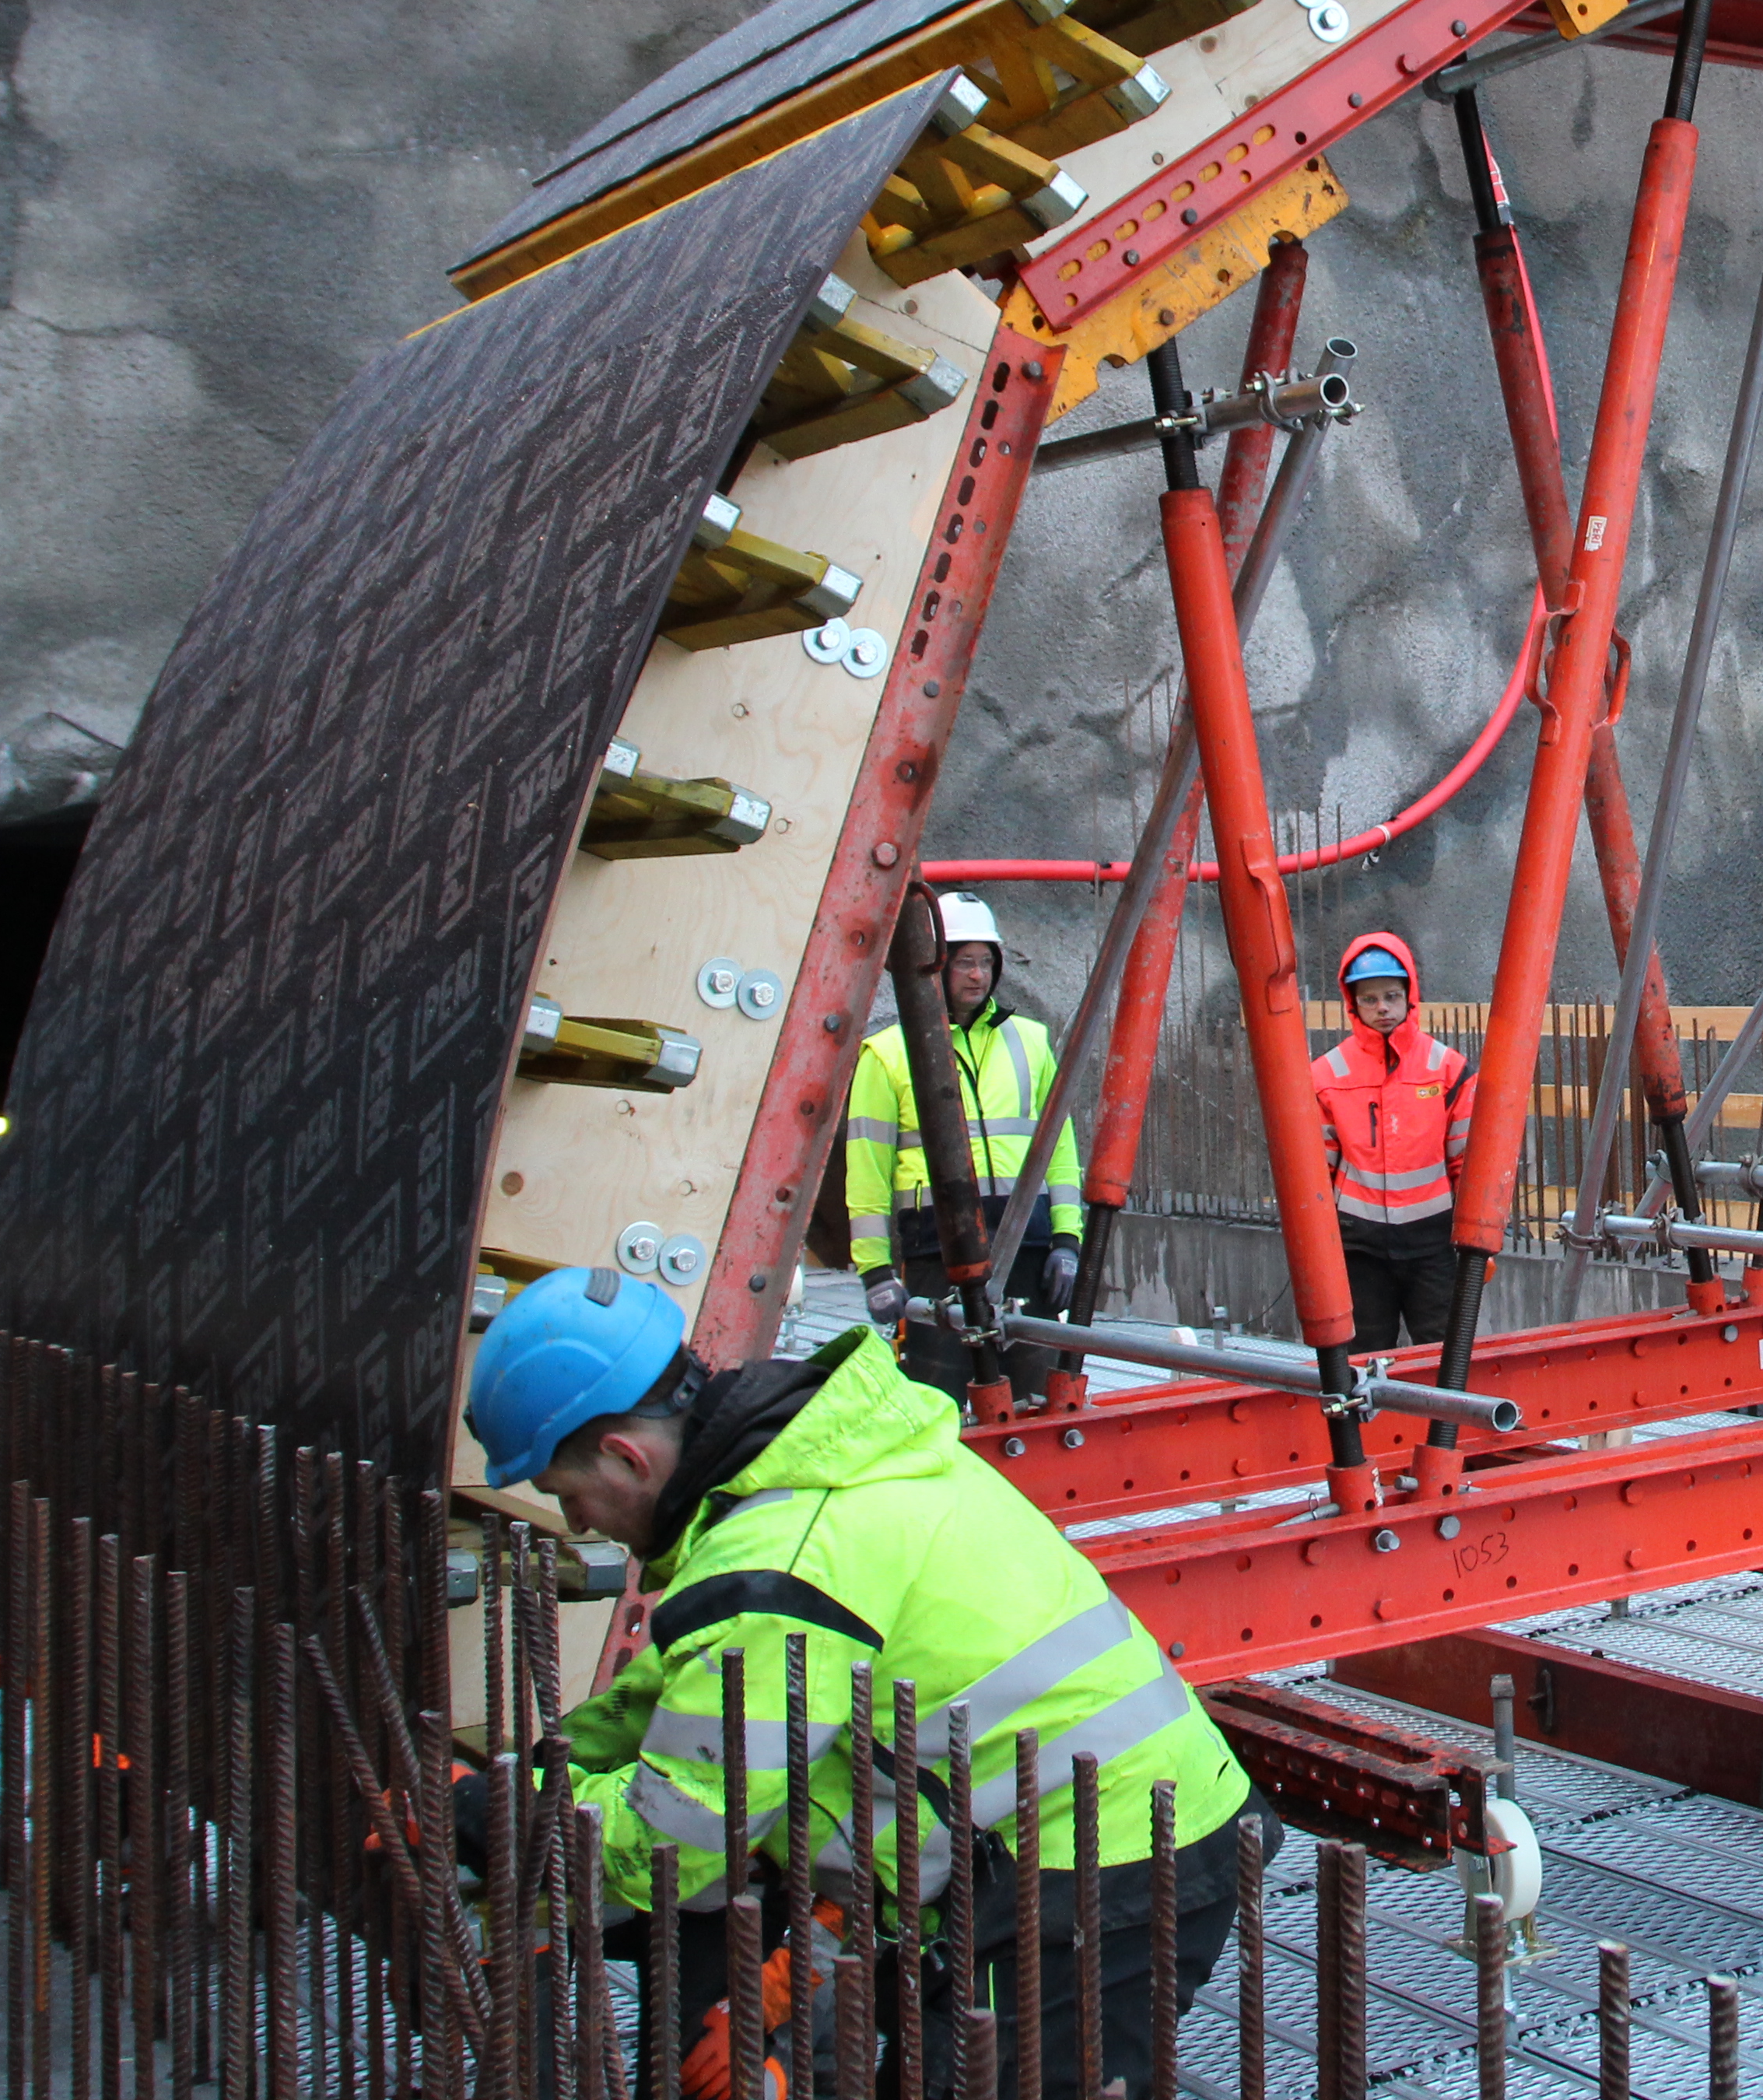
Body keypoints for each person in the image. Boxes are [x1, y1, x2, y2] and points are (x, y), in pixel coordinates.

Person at [464, 1265, 1255, 2098]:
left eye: (568, 1496)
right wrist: (549, 1771)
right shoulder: (816, 1465)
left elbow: (679, 1843)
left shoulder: (779, 1559)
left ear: (625, 1457)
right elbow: (677, 1694)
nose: (577, 1524)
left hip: (1104, 1863)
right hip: (1078, 1832)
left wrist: (502, 1813)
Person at [836, 890, 1084, 1342]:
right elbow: (867, 1168)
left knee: (1033, 1382)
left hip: (1027, 1246)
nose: (978, 975)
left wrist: (1067, 1240)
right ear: (937, 963)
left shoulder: (1032, 1041)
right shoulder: (887, 1053)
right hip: (935, 1250)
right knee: (939, 1383)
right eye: (965, 961)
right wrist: (874, 1270)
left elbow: (1059, 1149)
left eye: (986, 962)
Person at [1311, 931, 1477, 1355]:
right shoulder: (1326, 1075)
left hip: (1434, 1243)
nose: (1382, 1007)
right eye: (1369, 999)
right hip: (1358, 1246)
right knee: (1361, 1361)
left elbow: (1467, 1163)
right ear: (1352, 1003)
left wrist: (1475, 1241)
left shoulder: (1448, 1069)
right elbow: (1316, 1172)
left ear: (1410, 996)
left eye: (1391, 996)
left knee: (1443, 1358)